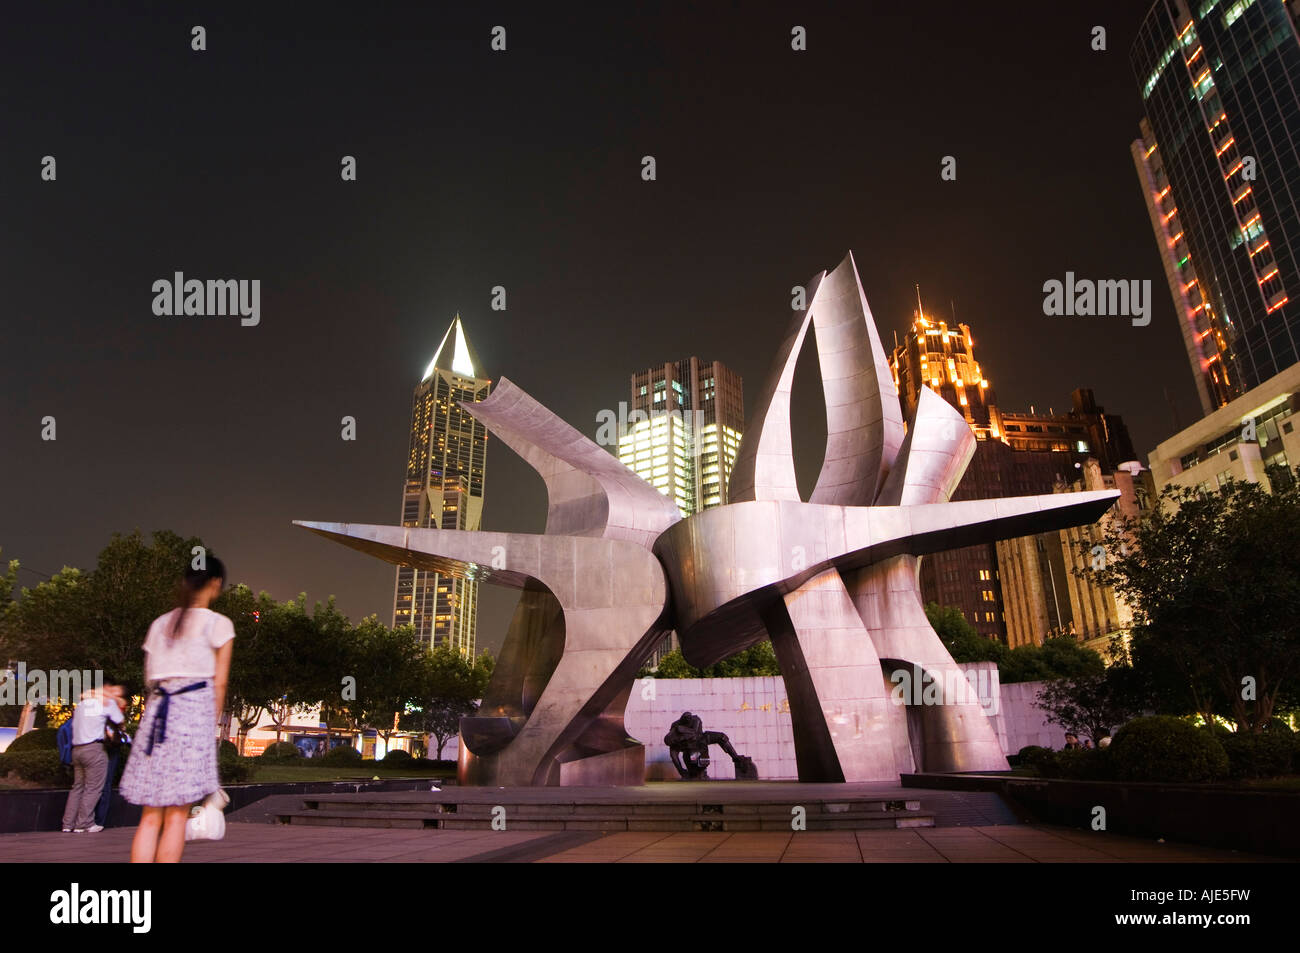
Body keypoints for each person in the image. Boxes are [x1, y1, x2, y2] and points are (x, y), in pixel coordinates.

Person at [120, 557, 235, 863]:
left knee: (149, 817)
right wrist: (210, 727)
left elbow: (149, 678)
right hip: (192, 715)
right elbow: (219, 685)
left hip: (156, 716)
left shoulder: (159, 624)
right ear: (215, 584)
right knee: (176, 817)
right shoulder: (219, 624)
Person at [61, 684, 126, 833]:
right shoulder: (105, 704)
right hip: (94, 749)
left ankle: (67, 824)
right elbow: (119, 719)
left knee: (77, 788)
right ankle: (84, 824)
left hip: (76, 750)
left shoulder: (81, 705)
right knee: (93, 788)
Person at [94, 690, 131, 828]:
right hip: (107, 750)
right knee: (103, 785)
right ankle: (98, 820)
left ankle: (97, 820)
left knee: (101, 785)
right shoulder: (108, 717)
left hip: (106, 750)